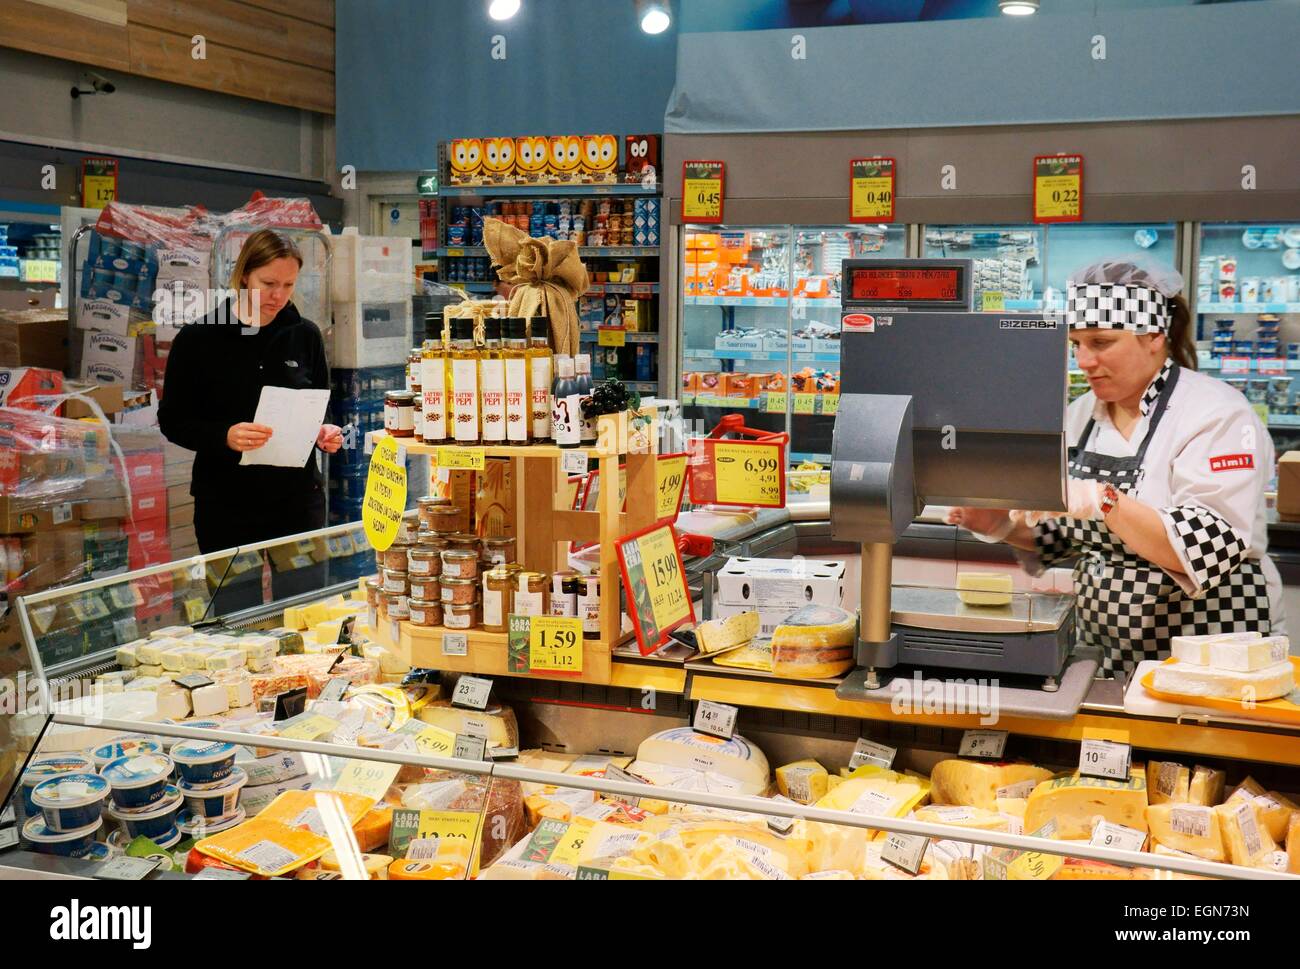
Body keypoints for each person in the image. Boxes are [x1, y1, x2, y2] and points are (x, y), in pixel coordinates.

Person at [947, 260, 1285, 677]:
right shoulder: (1082, 414)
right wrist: (1000, 525)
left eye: (1101, 342)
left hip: (1207, 647)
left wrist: (1103, 499)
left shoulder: (1216, 415)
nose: (1084, 360)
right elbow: (1071, 535)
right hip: (1101, 644)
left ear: (1155, 336)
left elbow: (1209, 549)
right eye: (1075, 344)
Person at [159, 229, 342, 554]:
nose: (278, 296)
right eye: (268, 284)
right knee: (236, 602)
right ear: (244, 276)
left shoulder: (305, 336)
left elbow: (319, 405)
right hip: (226, 502)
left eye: (288, 285)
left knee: (303, 601)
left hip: (296, 501)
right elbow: (173, 421)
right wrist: (223, 435)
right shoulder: (199, 339)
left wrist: (324, 431)